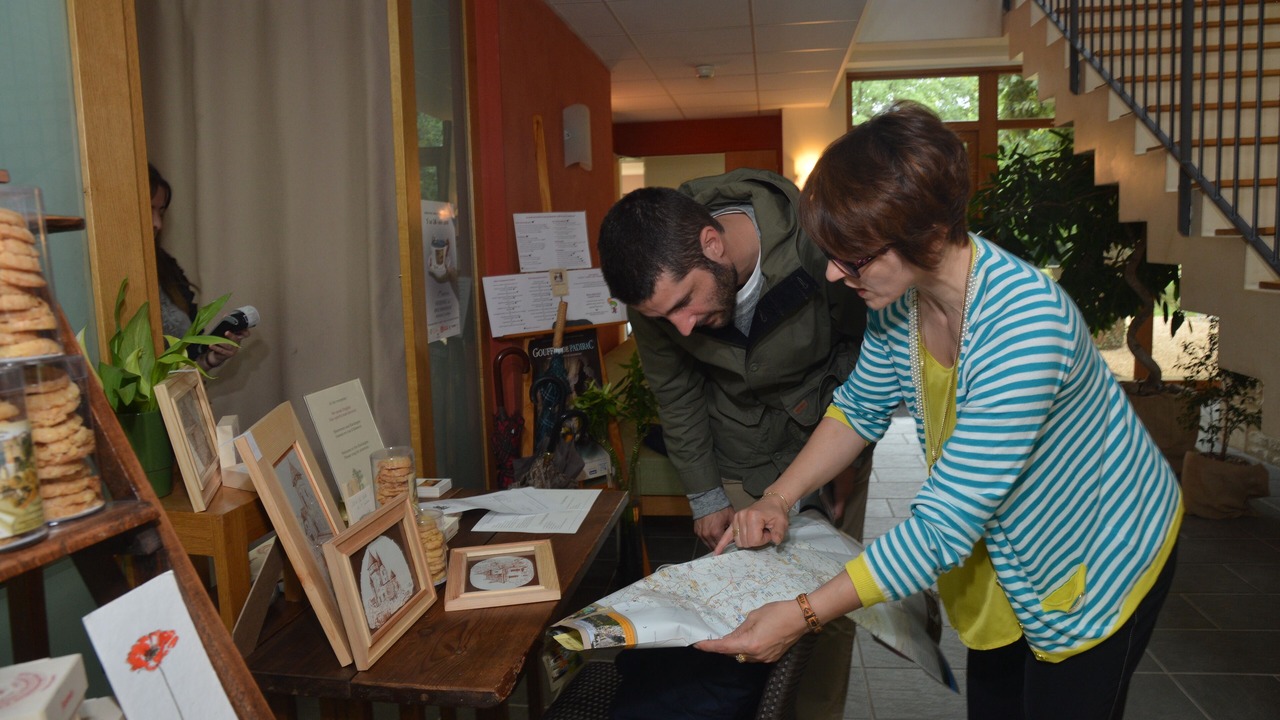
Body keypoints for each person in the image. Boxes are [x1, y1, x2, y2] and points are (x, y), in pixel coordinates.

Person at [699, 101, 1182, 720]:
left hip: (1101, 553)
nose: (833, 273)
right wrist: (777, 498)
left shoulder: (1025, 325)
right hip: (1012, 562)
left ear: (923, 235)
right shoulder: (902, 301)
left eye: (852, 256)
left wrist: (802, 614)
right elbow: (858, 409)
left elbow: (942, 526)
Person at [597, 168, 870, 719]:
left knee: (832, 609)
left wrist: (847, 455)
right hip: (737, 451)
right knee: (735, 615)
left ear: (712, 243)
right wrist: (706, 497)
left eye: (686, 303)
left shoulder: (818, 241)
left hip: (830, 430)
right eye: (663, 317)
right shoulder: (657, 281)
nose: (684, 328)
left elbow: (859, 348)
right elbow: (676, 394)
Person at [148, 164, 249, 372]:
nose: (158, 223)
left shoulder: (167, 267)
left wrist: (212, 358)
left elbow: (192, 361)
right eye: (149, 209)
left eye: (161, 212)